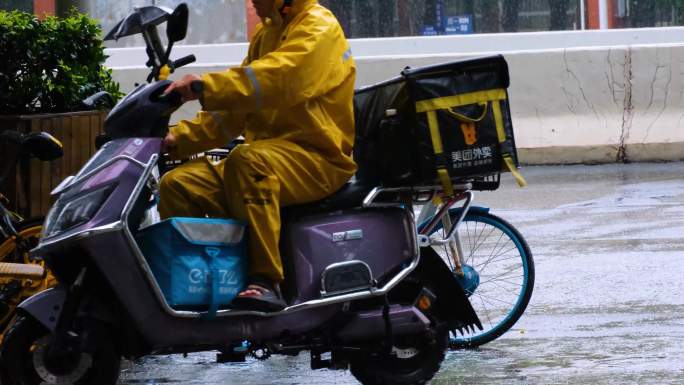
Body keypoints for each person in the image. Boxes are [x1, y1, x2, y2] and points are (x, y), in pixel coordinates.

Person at [160, 0, 357, 311]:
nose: (250, 1)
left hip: (316, 158)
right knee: (178, 184)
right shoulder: (266, 36)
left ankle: (266, 281)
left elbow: (279, 80)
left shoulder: (319, 28)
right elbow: (235, 110)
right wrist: (176, 139)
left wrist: (203, 86)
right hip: (266, 158)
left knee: (247, 161)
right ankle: (204, 281)